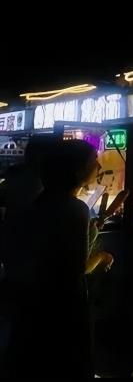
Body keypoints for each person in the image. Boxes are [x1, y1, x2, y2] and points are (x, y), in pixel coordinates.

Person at [5, 139, 98, 378]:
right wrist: (102, 257)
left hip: (31, 306)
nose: (98, 167)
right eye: (93, 162)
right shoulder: (75, 209)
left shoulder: (38, 203)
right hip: (63, 310)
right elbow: (77, 269)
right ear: (78, 171)